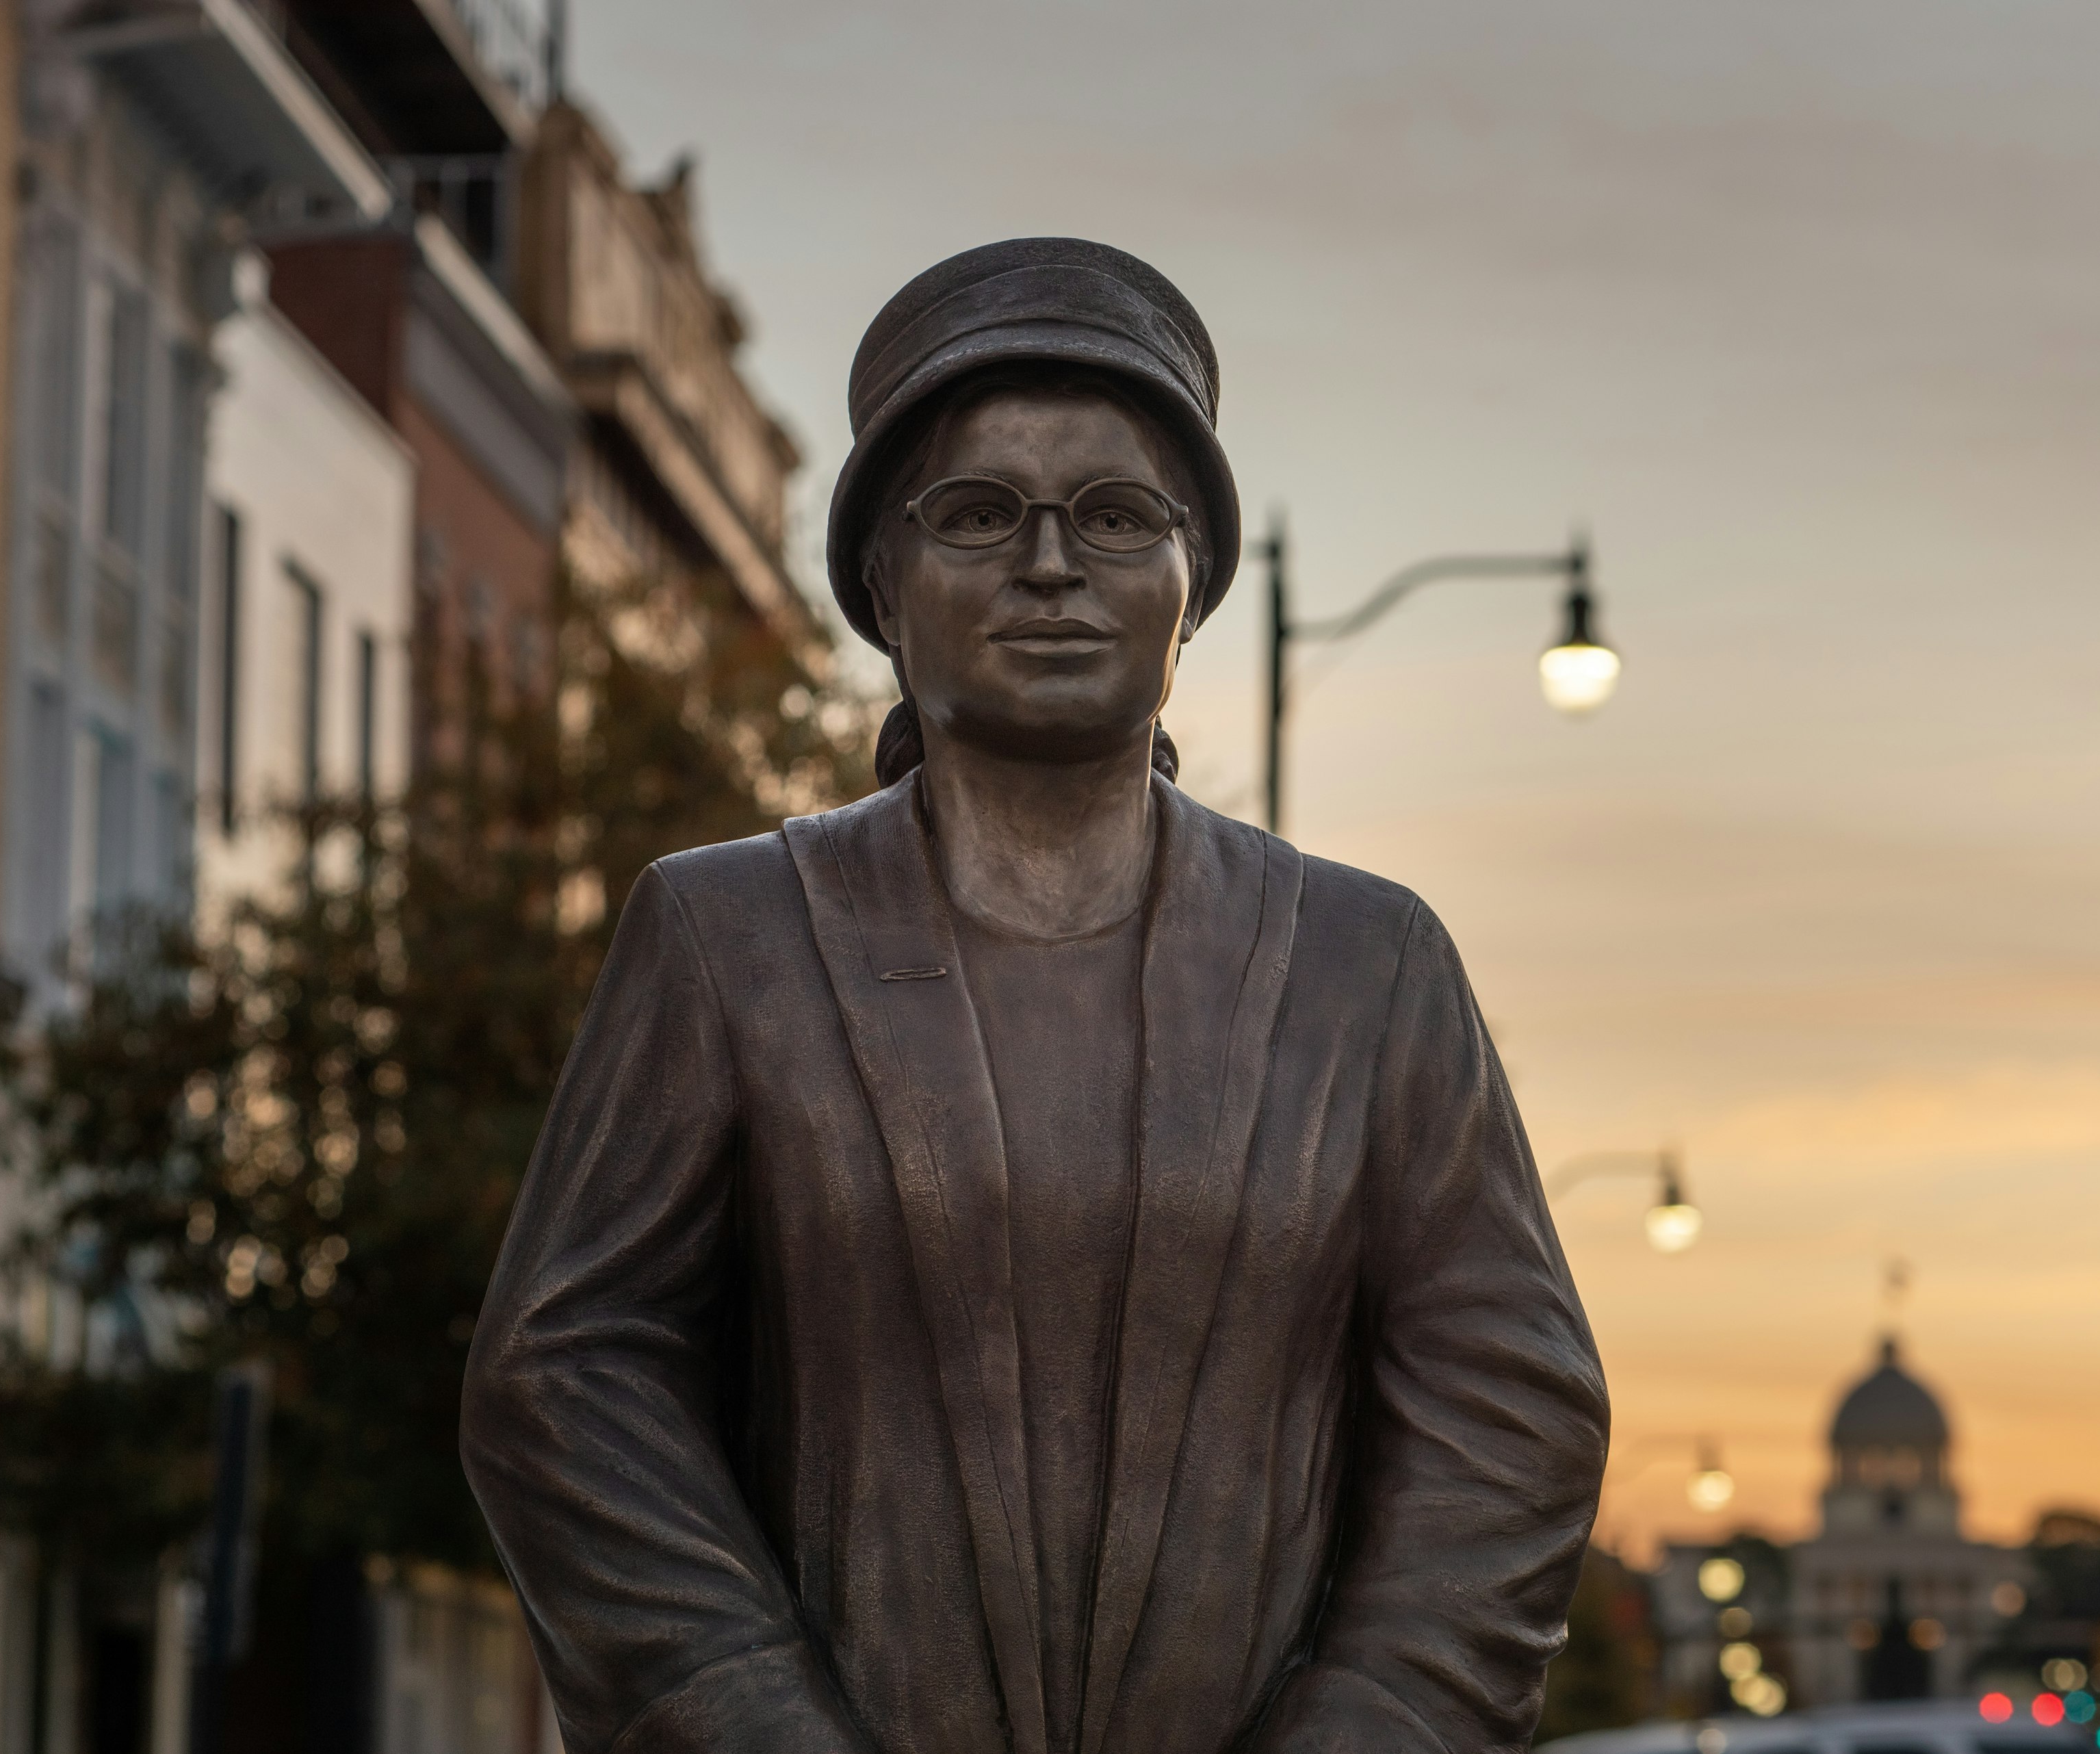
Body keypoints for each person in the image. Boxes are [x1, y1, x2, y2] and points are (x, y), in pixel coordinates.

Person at [461, 238, 1609, 1754]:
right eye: (981, 513)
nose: (1052, 563)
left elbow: (1509, 1405)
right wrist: (753, 1722)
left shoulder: (1368, 969)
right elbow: (568, 1366)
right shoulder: (728, 934)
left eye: (1120, 517)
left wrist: (1376, 1719)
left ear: (1193, 584)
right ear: (884, 577)